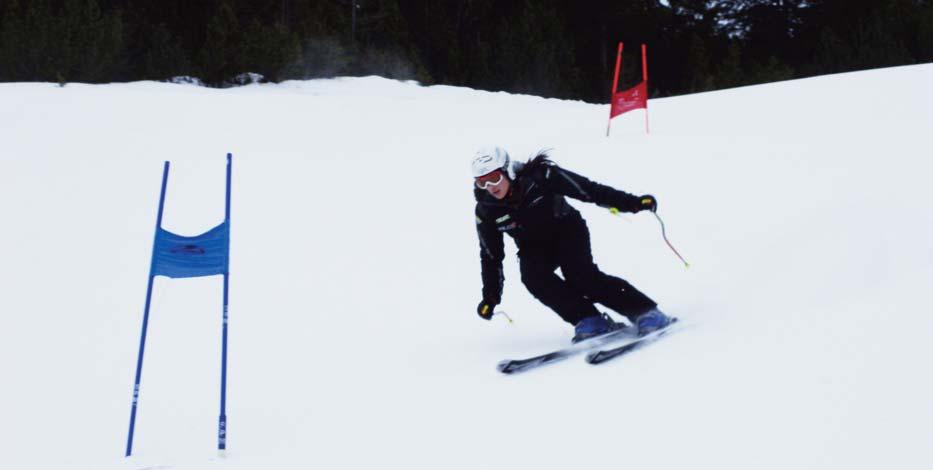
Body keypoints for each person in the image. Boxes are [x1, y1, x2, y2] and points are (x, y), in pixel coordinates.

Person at [472, 146, 672, 343]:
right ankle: (588, 319)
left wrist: (632, 203)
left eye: (495, 178)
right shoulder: (486, 210)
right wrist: (490, 297)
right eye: (482, 182)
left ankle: (645, 312)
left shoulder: (542, 176)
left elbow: (589, 190)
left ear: (508, 170)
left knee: (581, 276)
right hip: (533, 245)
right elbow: (491, 255)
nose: (490, 186)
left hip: (567, 230)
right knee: (534, 278)